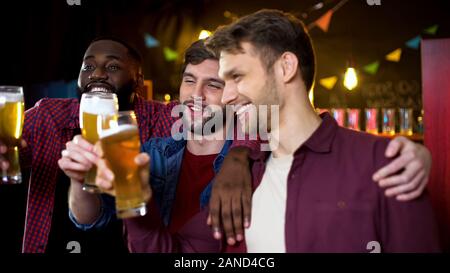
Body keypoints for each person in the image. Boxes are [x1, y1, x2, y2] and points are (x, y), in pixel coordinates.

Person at [95, 19, 438, 252]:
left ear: (286, 68)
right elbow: (179, 253)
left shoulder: (386, 162)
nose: (226, 96)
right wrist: (135, 199)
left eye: (236, 77)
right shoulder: (247, 175)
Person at [0, 37, 257, 253]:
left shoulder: (162, 119)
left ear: (138, 80)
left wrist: (239, 154)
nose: (98, 74)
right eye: (88, 66)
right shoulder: (50, 113)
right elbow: (92, 217)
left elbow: (264, 116)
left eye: (112, 67)